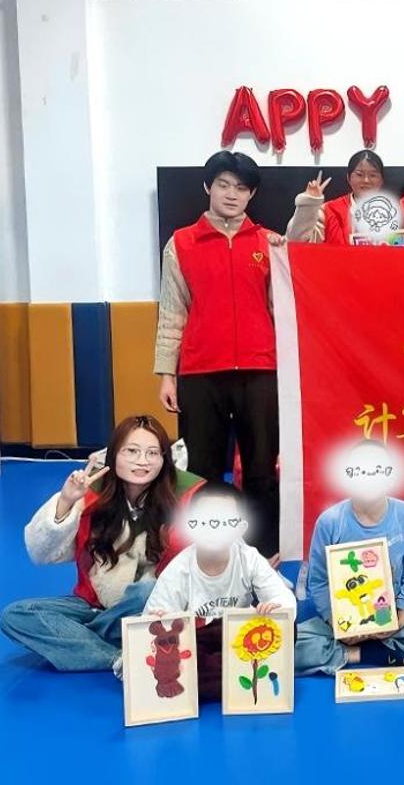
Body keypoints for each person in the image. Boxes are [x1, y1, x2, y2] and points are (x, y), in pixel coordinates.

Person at [0, 416, 203, 673]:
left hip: (149, 608)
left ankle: (79, 640)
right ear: (114, 454)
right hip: (92, 606)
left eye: (153, 453)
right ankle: (116, 656)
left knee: (148, 591)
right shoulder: (91, 492)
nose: (142, 461)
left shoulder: (186, 496)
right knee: (16, 615)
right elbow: (41, 553)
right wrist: (66, 501)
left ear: (164, 459)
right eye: (132, 451)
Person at [155, 150, 281, 558]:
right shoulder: (181, 243)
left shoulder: (268, 241)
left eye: (241, 188)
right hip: (200, 371)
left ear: (252, 194)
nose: (231, 194)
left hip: (260, 369)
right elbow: (172, 311)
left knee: (261, 468)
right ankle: (205, 552)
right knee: (202, 469)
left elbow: (282, 307)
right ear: (208, 187)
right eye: (223, 185)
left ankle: (263, 554)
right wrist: (167, 374)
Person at [293, 441, 404, 674]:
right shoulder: (330, 522)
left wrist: (401, 617)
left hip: (391, 616)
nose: (369, 478)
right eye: (360, 471)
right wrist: (337, 623)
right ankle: (368, 654)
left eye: (376, 470)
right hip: (345, 618)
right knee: (283, 649)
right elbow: (319, 580)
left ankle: (374, 647)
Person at [143, 481, 296, 698]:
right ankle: (230, 677)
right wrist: (160, 618)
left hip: (238, 636)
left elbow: (285, 601)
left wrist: (275, 608)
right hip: (198, 639)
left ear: (240, 528)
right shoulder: (179, 569)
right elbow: (150, 625)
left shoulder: (249, 557)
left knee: (289, 631)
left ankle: (220, 678)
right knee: (177, 658)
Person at [286, 150, 404, 245]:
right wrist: (309, 204)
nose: (366, 180)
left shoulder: (398, 212)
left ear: (381, 180)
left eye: (373, 175)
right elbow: (296, 240)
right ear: (349, 178)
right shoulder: (329, 210)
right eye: (359, 174)